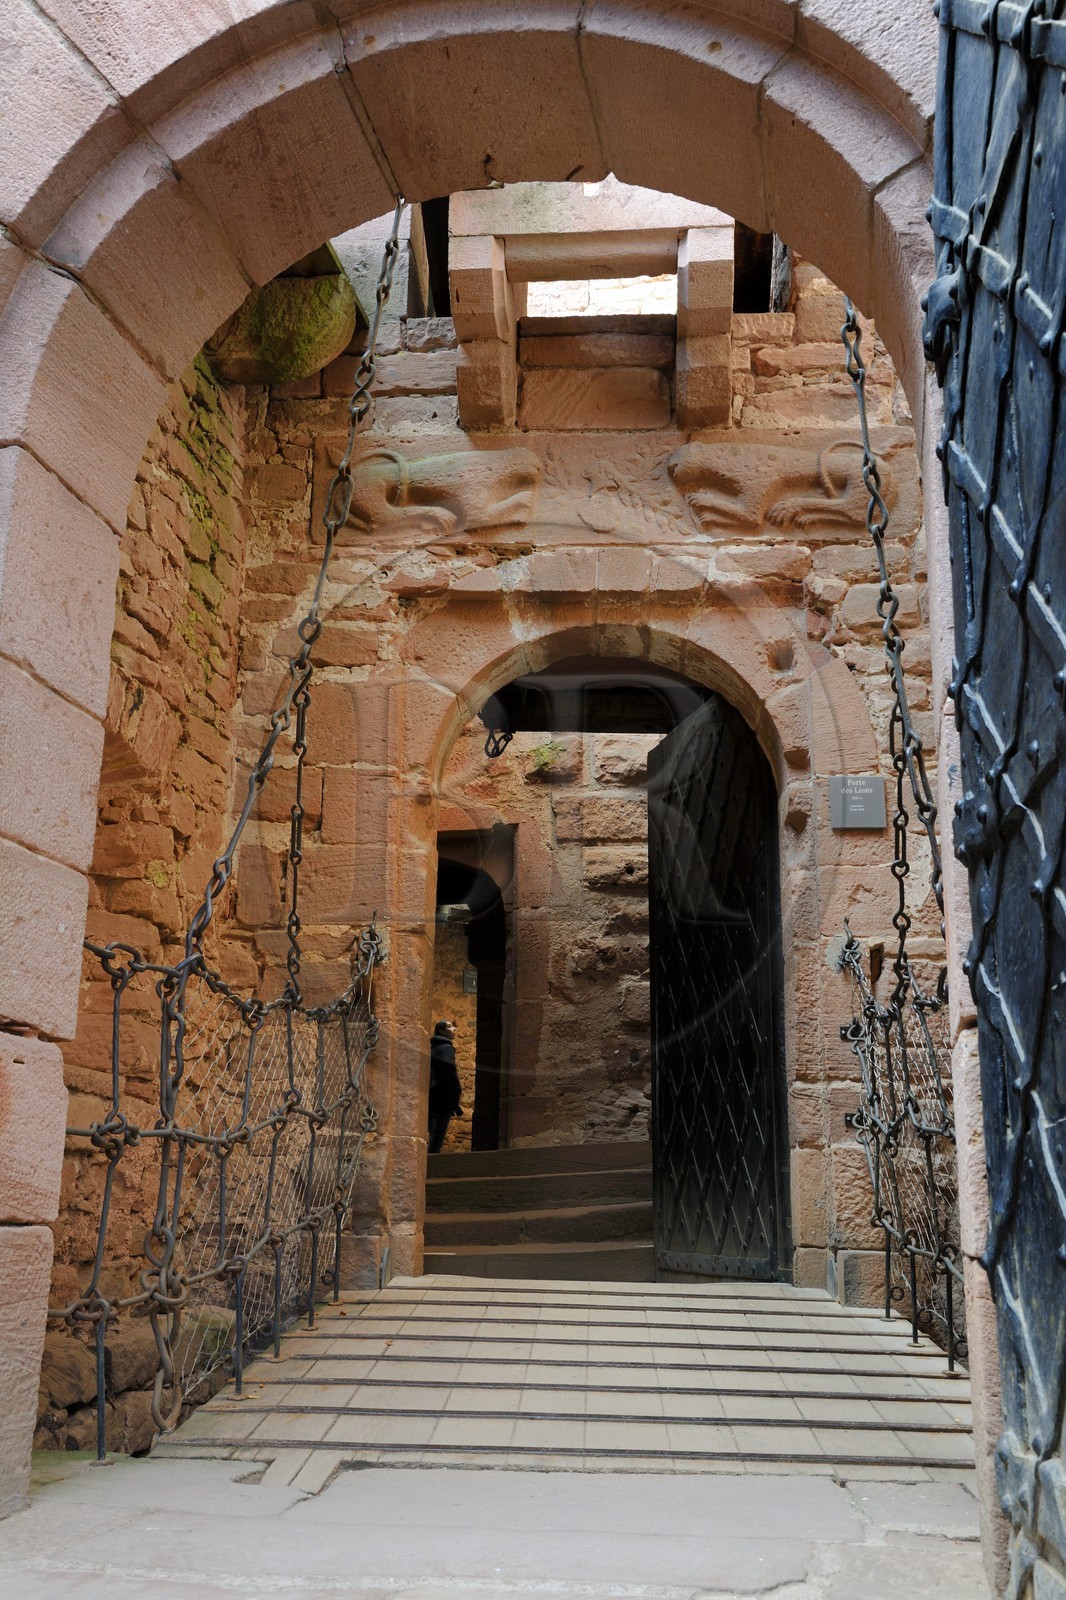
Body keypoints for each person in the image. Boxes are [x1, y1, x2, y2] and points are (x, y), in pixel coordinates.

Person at [428, 1020, 463, 1153]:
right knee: (437, 1135)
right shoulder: (446, 1048)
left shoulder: (434, 1047)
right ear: (442, 1031)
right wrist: (456, 1092)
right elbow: (448, 1072)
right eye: (450, 1027)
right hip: (444, 1097)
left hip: (433, 1095)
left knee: (431, 1131)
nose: (454, 1029)